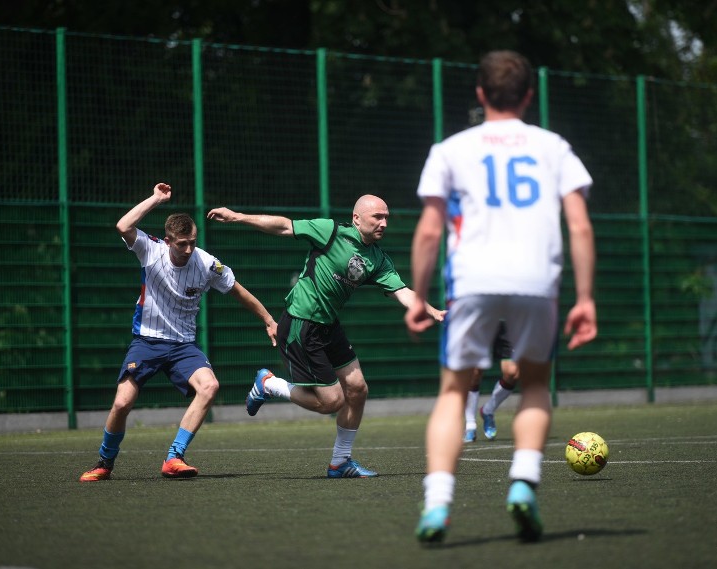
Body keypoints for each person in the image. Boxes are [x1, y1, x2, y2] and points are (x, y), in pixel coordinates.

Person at [404, 50, 597, 543]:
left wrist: (420, 296)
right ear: (529, 96)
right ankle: (524, 484)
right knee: (532, 385)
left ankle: (438, 504)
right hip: (537, 283)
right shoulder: (553, 146)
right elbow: (578, 224)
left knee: (451, 392)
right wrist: (586, 297)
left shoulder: (450, 150)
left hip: (472, 281)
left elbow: (429, 233)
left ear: (480, 94)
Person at [207, 195, 445, 478]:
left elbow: (402, 291)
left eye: (386, 217)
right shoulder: (331, 231)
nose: (384, 223)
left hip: (328, 325)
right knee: (332, 402)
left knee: (357, 389)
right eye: (377, 217)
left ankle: (339, 462)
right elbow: (284, 226)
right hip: (301, 324)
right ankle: (269, 384)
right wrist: (237, 216)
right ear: (357, 218)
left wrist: (431, 310)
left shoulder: (378, 258)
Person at [79, 183, 278, 482]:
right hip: (146, 341)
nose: (188, 249)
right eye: (182, 243)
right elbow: (123, 225)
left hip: (183, 347)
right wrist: (156, 199)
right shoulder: (151, 250)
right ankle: (104, 463)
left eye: (192, 242)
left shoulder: (207, 263)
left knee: (210, 387)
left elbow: (238, 292)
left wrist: (268, 319)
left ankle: (174, 457)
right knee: (121, 403)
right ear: (169, 240)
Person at [464, 320, 519, 443]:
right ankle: (470, 425)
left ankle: (488, 410)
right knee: (475, 371)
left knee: (513, 372)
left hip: (506, 321)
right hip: (482, 319)